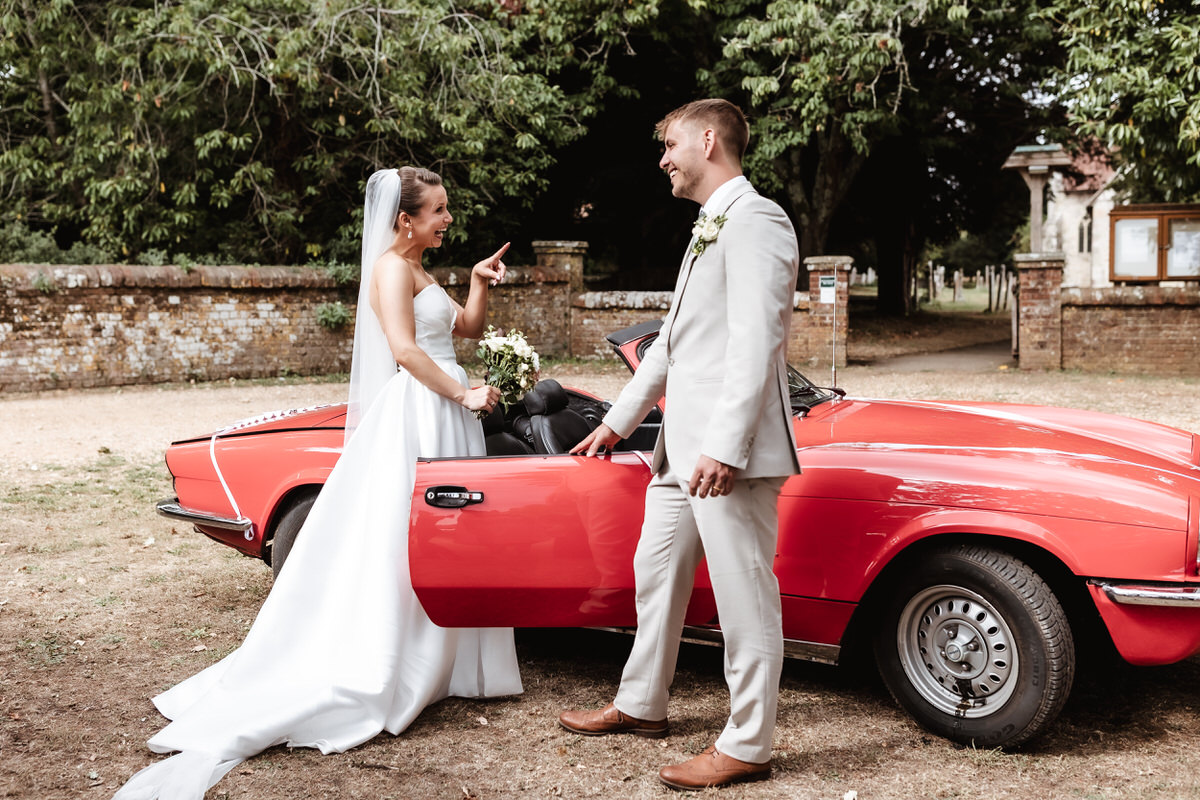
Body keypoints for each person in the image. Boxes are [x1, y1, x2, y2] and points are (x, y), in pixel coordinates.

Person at [113, 167, 523, 800]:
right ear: (405, 220)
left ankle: (445, 662)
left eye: (447, 209)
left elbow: (460, 331)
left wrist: (475, 283)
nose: (448, 219)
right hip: (421, 408)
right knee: (401, 535)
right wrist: (465, 393)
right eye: (438, 211)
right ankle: (392, 659)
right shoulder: (389, 269)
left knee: (449, 536)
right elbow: (407, 352)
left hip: (446, 406)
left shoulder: (420, 269)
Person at [560, 99, 800, 791]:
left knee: (744, 595)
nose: (663, 159)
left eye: (669, 145)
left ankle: (748, 745)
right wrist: (619, 420)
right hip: (678, 449)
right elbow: (672, 342)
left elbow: (758, 340)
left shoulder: (755, 219)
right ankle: (641, 705)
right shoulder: (707, 226)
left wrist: (725, 446)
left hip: (729, 454)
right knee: (655, 574)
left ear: (706, 139)